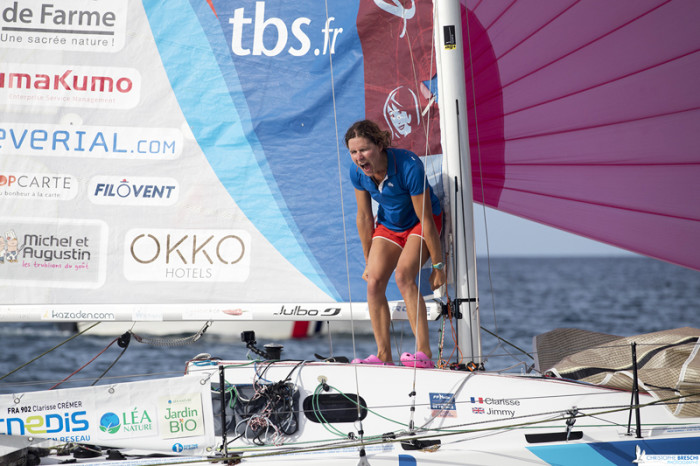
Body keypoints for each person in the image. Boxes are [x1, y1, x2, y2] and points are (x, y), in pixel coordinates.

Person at [345, 120, 444, 368]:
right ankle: (383, 356)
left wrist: (438, 266)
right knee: (374, 281)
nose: (359, 157)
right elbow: (365, 217)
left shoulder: (409, 166)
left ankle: (423, 353)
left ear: (380, 145)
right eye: (353, 152)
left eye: (364, 150)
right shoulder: (357, 172)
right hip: (390, 226)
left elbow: (427, 220)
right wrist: (369, 262)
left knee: (403, 276)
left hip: (421, 222)